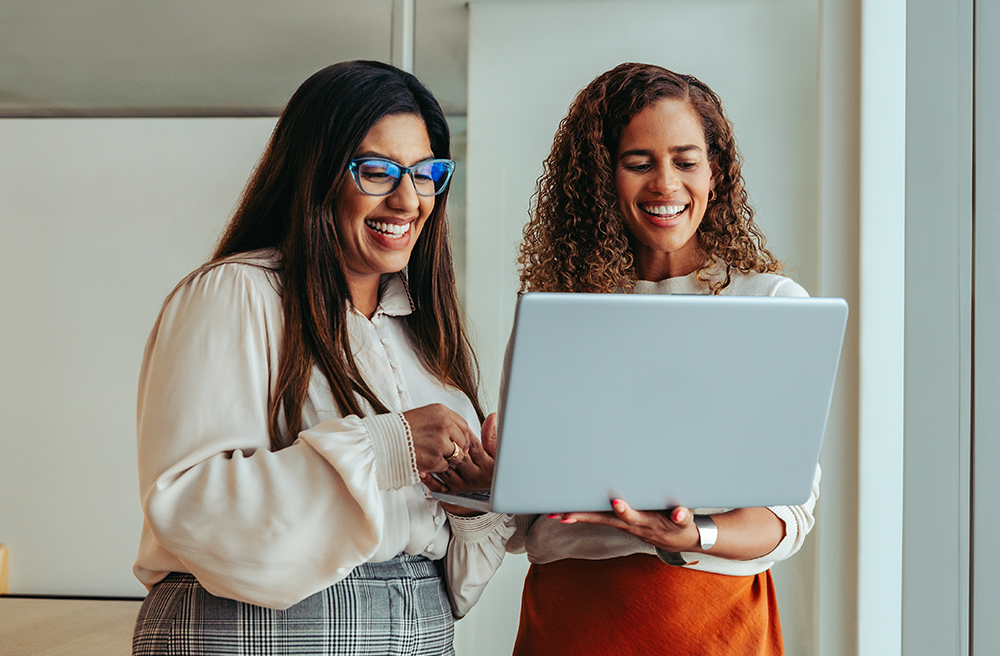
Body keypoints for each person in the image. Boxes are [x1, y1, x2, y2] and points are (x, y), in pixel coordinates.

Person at [131, 61, 513, 656]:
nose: (409, 199)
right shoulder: (238, 293)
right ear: (317, 175)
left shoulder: (425, 334)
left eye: (425, 173)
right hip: (258, 632)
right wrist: (391, 446)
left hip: (418, 630)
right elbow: (192, 510)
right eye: (378, 171)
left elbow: (456, 588)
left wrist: (475, 501)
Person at [508, 63, 818, 655]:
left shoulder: (770, 306)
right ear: (602, 178)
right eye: (639, 162)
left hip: (712, 622)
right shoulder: (557, 316)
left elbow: (788, 514)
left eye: (685, 160)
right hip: (572, 619)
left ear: (716, 172)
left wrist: (691, 532)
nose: (665, 185)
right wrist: (491, 482)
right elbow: (526, 522)